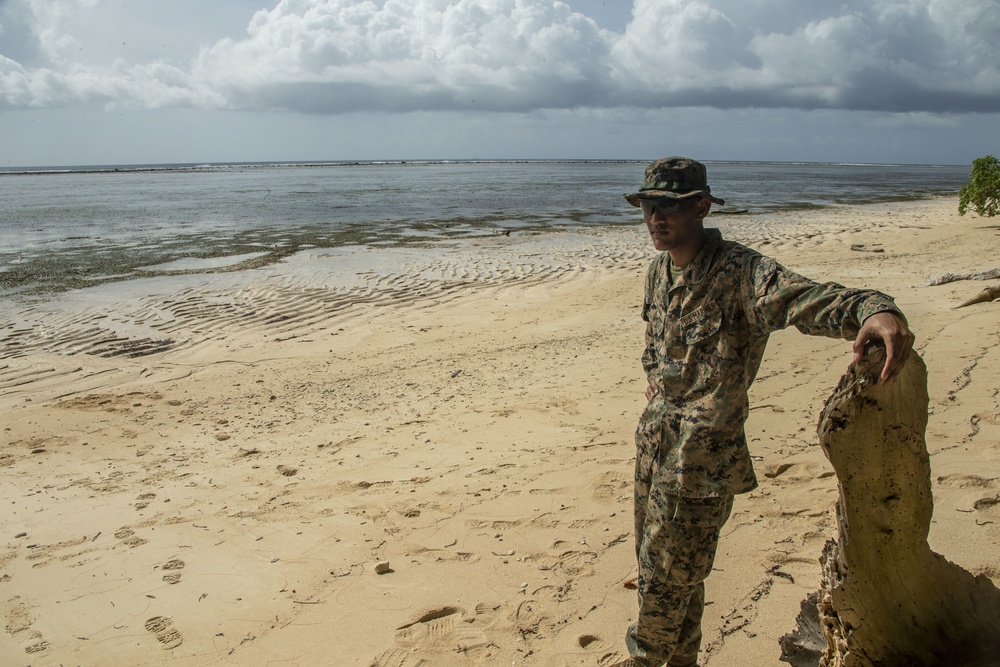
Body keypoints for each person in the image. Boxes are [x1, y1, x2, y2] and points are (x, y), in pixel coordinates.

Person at [613, 157, 914, 667]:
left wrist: (874, 309)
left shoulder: (742, 273)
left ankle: (643, 660)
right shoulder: (659, 272)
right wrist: (659, 380)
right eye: (648, 207)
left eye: (670, 207)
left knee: (666, 581)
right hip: (654, 446)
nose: (655, 218)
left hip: (701, 464)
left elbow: (807, 300)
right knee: (662, 573)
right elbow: (655, 342)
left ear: (702, 207)